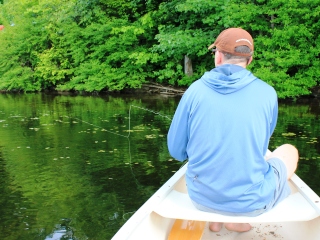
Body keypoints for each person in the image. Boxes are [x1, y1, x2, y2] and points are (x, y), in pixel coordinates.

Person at [167, 28, 299, 233]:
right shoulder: (267, 93)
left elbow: (176, 152)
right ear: (250, 60)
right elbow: (262, 142)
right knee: (289, 150)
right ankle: (234, 219)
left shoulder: (194, 91)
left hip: (201, 200)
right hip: (251, 204)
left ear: (218, 57)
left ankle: (219, 218)